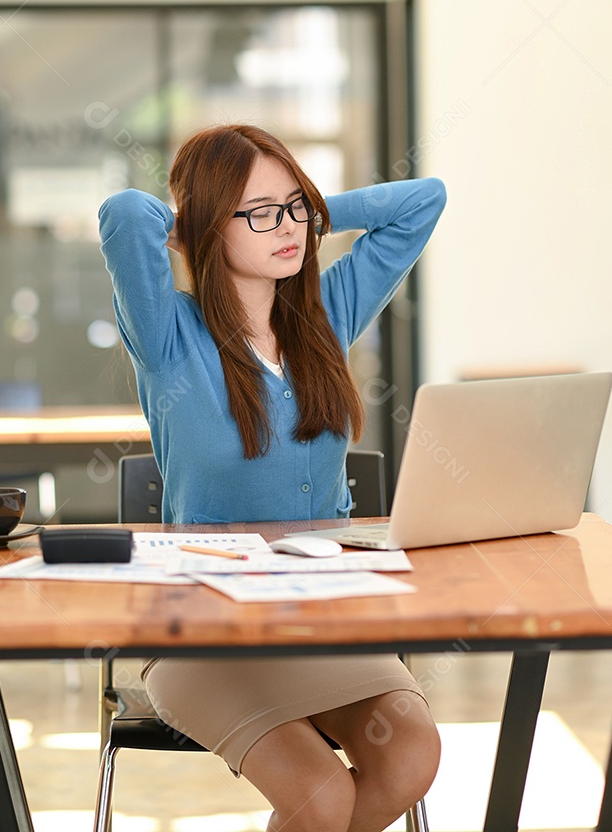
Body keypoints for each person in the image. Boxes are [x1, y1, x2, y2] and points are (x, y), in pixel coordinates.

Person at [99, 123, 447, 832]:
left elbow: (423, 199)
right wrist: (190, 222)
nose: (286, 227)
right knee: (321, 796)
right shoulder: (167, 337)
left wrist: (318, 210)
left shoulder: (326, 315)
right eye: (257, 211)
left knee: (412, 753)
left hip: (322, 618)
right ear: (206, 223)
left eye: (294, 206)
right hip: (203, 631)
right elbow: (123, 215)